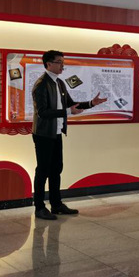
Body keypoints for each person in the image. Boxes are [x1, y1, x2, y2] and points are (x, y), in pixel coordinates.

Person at [32, 50, 107, 220]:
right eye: (59, 62)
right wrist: (67, 112)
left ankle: (56, 204)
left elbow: (71, 104)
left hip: (56, 132)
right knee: (43, 170)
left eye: (63, 62)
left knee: (56, 169)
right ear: (48, 64)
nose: (62, 65)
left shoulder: (59, 83)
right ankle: (39, 207)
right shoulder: (41, 84)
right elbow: (42, 112)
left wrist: (91, 103)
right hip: (43, 134)